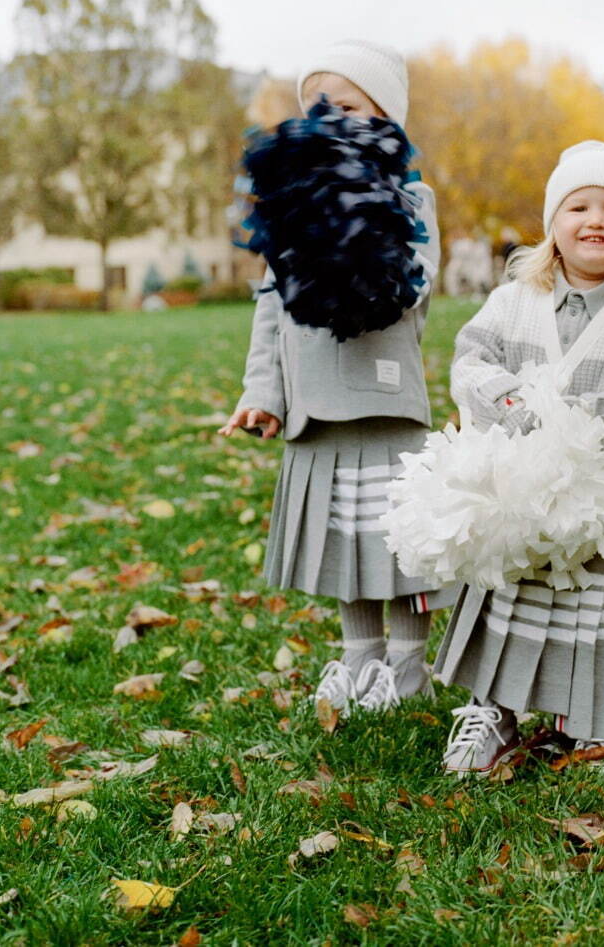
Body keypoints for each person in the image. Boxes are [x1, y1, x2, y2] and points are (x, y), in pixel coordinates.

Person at [432, 141, 604, 774]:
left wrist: (591, 417)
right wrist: (512, 400)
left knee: (593, 615)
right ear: (554, 224)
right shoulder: (512, 302)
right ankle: (492, 712)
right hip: (514, 500)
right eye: (578, 205)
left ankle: (598, 725)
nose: (596, 220)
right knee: (506, 601)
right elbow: (470, 364)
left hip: (595, 509)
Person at [220, 39, 450, 718]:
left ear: (386, 116)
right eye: (315, 104)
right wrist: (264, 391)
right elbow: (271, 303)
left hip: (383, 397)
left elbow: (417, 285)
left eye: (345, 102)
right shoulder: (292, 202)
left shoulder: (409, 197)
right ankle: (360, 658)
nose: (328, 115)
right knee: (346, 541)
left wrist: (351, 246)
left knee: (399, 541)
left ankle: (408, 665)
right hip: (314, 405)